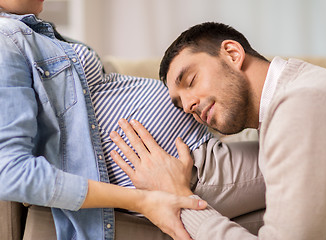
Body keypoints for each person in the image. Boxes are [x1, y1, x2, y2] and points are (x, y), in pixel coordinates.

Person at [0, 2, 266, 239]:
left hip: (201, 151)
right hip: (187, 167)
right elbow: (9, 173)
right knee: (304, 157)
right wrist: (145, 200)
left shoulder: (32, 32)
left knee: (292, 213)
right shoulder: (5, 40)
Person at [110, 22, 326, 239]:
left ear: (232, 53)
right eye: (180, 104)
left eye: (191, 81)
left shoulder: (300, 106)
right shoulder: (297, 93)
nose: (188, 106)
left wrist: (181, 198)